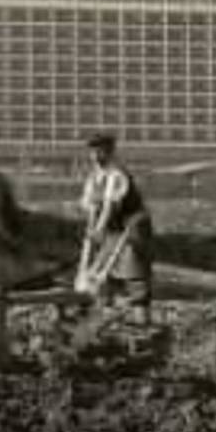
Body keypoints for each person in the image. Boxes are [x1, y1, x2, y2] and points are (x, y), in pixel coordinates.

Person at [77, 132, 154, 327]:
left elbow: (109, 209)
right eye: (93, 150)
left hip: (132, 228)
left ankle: (141, 322)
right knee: (101, 274)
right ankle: (103, 320)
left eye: (100, 150)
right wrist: (91, 235)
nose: (95, 155)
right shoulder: (94, 179)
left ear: (109, 151)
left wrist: (98, 230)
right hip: (113, 231)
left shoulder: (116, 175)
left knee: (133, 273)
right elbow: (93, 209)